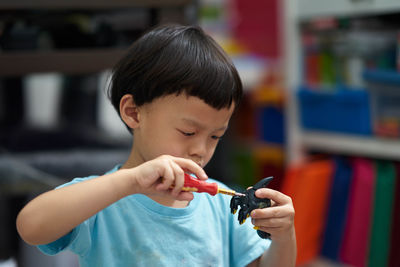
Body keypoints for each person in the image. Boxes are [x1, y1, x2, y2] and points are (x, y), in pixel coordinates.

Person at [16, 24, 296, 266]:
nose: (201, 149)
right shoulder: (102, 200)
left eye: (215, 137)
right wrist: (130, 182)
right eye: (188, 132)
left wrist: (283, 237)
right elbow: (31, 226)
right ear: (134, 112)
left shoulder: (221, 207)